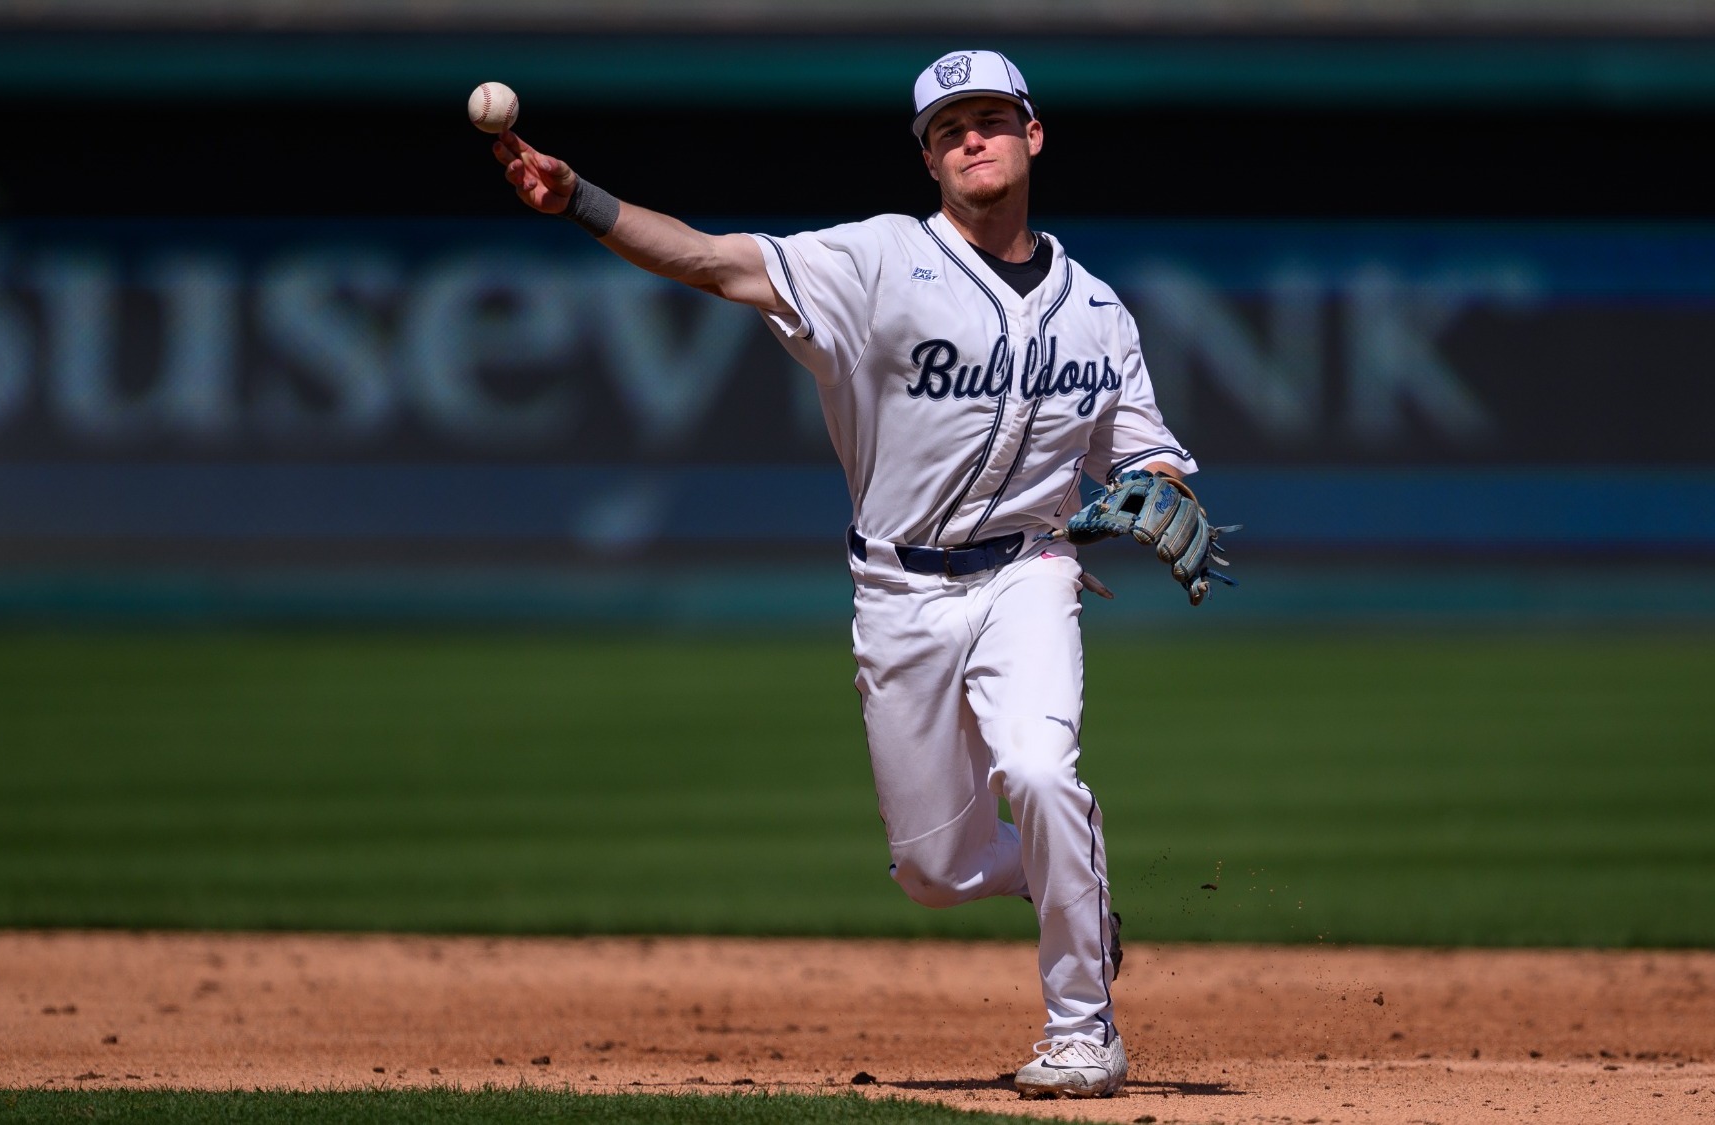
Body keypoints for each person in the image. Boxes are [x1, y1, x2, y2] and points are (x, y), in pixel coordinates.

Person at [492, 49, 1216, 1098]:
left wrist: (1158, 488)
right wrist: (580, 201)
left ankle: (1080, 1031)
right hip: (898, 593)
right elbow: (709, 261)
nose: (972, 137)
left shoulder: (1097, 311)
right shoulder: (874, 263)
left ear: (1033, 134)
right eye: (947, 128)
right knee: (933, 874)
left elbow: (1147, 454)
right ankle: (1073, 887)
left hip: (1028, 576)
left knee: (1040, 772)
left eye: (990, 119)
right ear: (926, 157)